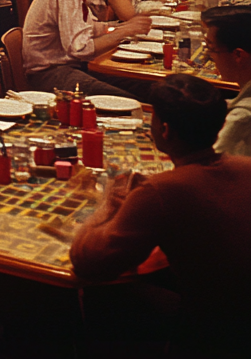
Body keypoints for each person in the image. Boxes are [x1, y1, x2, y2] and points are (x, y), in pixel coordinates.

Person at [70, 74, 251, 358]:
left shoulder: (162, 191)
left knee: (100, 295)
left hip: (215, 335)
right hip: (241, 317)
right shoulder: (245, 165)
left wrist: (109, 202)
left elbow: (87, 263)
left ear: (164, 130)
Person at [21, 0, 152, 97]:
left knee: (144, 87)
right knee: (127, 99)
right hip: (48, 73)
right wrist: (123, 33)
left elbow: (89, 28)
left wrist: (122, 28)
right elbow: (80, 49)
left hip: (71, 66)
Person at [201, 6, 251, 156]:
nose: (209, 58)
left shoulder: (242, 118)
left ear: (238, 55)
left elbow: (210, 167)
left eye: (211, 48)